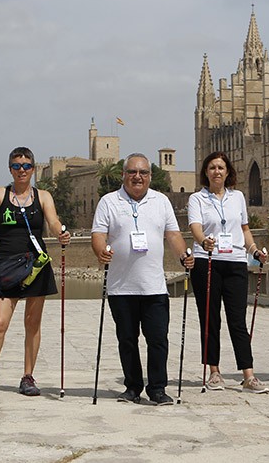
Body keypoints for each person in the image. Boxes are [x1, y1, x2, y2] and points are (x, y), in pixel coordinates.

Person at [0, 147, 70, 400]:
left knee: (32, 323)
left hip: (36, 264)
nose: (21, 170)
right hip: (8, 266)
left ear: (33, 169)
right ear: (10, 169)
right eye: (16, 166)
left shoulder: (43, 196)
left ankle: (28, 376)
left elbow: (53, 221)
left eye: (26, 166)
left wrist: (60, 232)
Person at [92, 153, 193, 405]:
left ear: (149, 176)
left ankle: (158, 388)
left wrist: (184, 255)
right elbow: (98, 234)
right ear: (124, 175)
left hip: (154, 286)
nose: (138, 177)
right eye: (133, 172)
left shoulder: (161, 201)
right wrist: (100, 250)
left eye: (144, 173)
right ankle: (132, 387)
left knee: (158, 340)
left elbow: (173, 235)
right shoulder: (108, 201)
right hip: (120, 286)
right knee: (127, 340)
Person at [188, 152, 269, 394]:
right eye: (212, 167)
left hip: (235, 261)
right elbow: (195, 227)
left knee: (238, 320)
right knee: (210, 319)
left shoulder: (238, 197)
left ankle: (248, 375)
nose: (216, 171)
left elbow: (243, 229)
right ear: (206, 172)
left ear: (227, 171)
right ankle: (214, 372)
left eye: (221, 167)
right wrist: (203, 242)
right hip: (207, 261)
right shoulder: (197, 199)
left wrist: (254, 251)